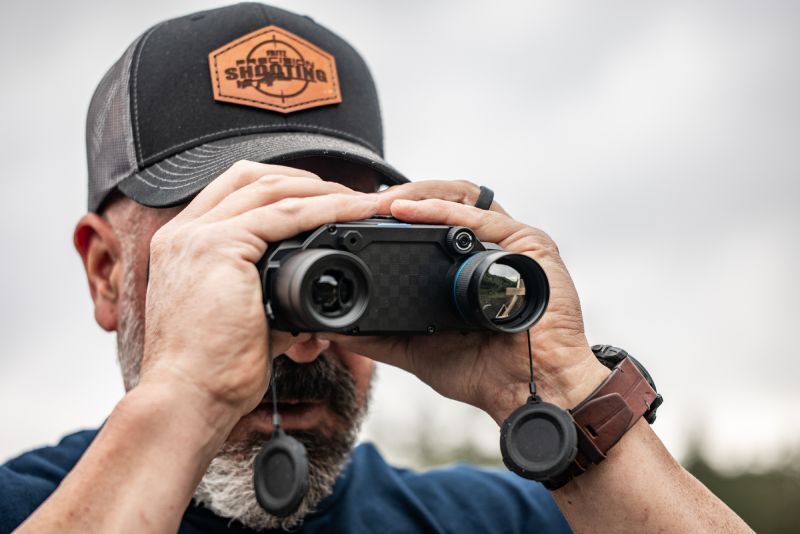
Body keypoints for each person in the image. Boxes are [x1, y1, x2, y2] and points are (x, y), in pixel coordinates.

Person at [1, 3, 750, 533]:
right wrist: (186, 399)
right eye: (244, 256)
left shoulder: (511, 518)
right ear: (105, 271)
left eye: (336, 262)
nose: (303, 340)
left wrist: (562, 391)